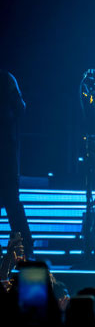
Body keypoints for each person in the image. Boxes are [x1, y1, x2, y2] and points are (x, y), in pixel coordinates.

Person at [0, 70, 33, 257]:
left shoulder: (6, 77)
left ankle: (23, 248)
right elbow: (21, 108)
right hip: (6, 148)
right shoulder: (7, 78)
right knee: (13, 202)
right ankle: (23, 248)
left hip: (5, 149)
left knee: (12, 202)